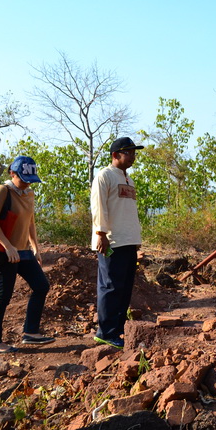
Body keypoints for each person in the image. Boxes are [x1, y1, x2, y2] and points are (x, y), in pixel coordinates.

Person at [0, 156, 54, 353]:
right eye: (23, 179)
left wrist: (35, 247)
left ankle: (30, 332)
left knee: (41, 286)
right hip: (4, 252)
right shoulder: (2, 191)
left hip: (23, 251)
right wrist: (8, 246)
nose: (27, 184)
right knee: (3, 296)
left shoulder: (29, 193)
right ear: (12, 173)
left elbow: (30, 221)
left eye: (30, 180)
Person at [90, 136, 144, 349]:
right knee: (110, 286)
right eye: (128, 152)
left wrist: (136, 238)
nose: (132, 156)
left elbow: (128, 212)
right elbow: (98, 206)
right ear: (115, 155)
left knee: (124, 287)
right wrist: (101, 234)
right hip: (111, 241)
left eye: (134, 153)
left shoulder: (129, 179)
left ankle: (118, 330)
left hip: (128, 241)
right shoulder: (105, 176)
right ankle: (106, 332)